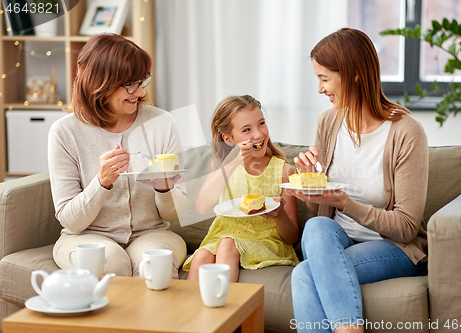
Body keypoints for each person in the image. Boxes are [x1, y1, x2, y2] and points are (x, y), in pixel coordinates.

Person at [290, 28, 429, 333]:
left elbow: (407, 226)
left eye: (324, 78)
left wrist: (346, 203)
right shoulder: (328, 123)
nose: (319, 89)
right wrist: (311, 188)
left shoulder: (406, 132)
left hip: (393, 246)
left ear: (353, 74)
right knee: (316, 226)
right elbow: (321, 213)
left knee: (305, 274)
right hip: (337, 239)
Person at [48, 33, 187, 279]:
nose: (139, 90)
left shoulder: (162, 123)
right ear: (99, 83)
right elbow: (71, 221)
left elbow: (175, 216)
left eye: (142, 80)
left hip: (151, 233)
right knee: (109, 263)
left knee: (155, 265)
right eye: (129, 84)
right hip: (85, 236)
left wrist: (165, 189)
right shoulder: (64, 132)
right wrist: (101, 183)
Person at [182, 95, 300, 282]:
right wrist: (233, 162)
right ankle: (189, 311)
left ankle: (224, 309)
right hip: (223, 235)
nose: (259, 134)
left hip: (266, 240)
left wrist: (279, 215)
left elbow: (292, 237)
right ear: (228, 139)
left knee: (228, 245)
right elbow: (202, 207)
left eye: (261, 123)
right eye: (247, 129)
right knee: (202, 256)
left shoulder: (284, 170)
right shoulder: (221, 166)